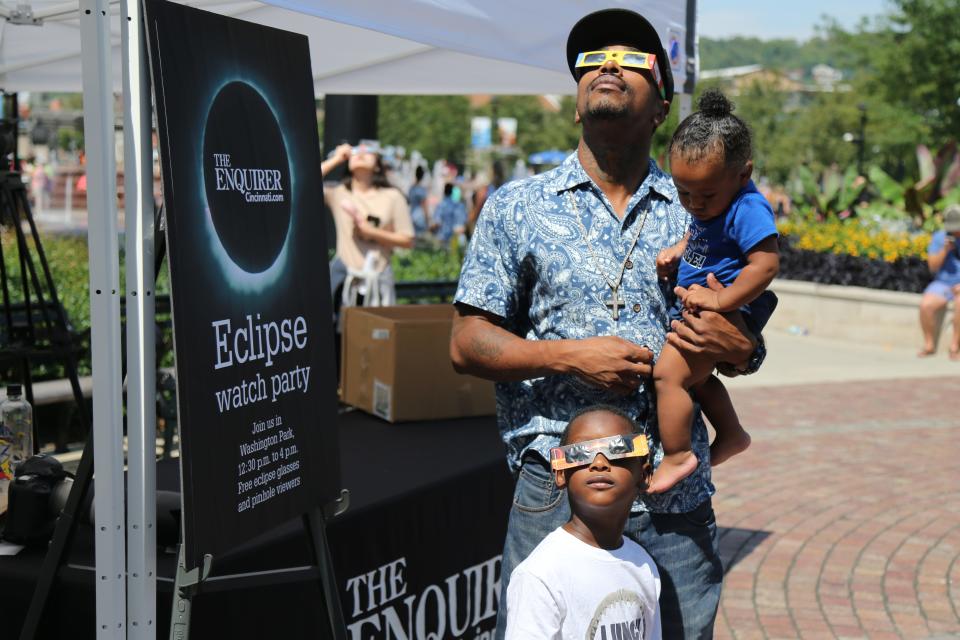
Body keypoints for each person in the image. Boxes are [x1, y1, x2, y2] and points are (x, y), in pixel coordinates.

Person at [450, 9, 765, 638]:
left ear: (662, 107)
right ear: (574, 103)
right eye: (593, 60)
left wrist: (738, 345)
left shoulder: (703, 201)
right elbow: (465, 343)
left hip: (672, 500)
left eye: (630, 59)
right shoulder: (517, 205)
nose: (609, 66)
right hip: (559, 493)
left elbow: (748, 341)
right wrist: (567, 355)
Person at [648, 90, 779, 494]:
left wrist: (722, 302)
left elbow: (766, 264)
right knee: (698, 382)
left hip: (715, 311)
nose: (693, 204)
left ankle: (677, 455)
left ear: (743, 174)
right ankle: (732, 433)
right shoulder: (716, 205)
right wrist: (678, 250)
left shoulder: (748, 208)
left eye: (705, 195)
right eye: (683, 193)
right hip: (700, 307)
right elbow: (703, 235)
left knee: (668, 377)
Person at [505, 405, 660, 640]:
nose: (599, 463)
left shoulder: (644, 565)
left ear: (644, 475)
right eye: (579, 452)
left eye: (617, 449)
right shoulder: (540, 574)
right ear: (560, 473)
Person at [320, 142, 414, 312]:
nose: (361, 153)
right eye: (355, 152)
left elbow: (407, 240)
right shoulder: (338, 192)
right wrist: (336, 159)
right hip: (344, 281)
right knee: (340, 335)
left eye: (369, 151)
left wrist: (371, 232)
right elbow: (304, 182)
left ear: (378, 165)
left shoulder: (392, 196)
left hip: (378, 283)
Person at [918, 203, 960, 359]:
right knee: (925, 305)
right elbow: (933, 267)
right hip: (942, 283)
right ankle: (929, 345)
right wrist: (945, 250)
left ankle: (955, 346)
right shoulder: (939, 238)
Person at [408, 165, 430, 235]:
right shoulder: (422, 189)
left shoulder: (411, 188)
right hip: (419, 216)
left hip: (411, 214)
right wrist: (427, 219)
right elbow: (424, 205)